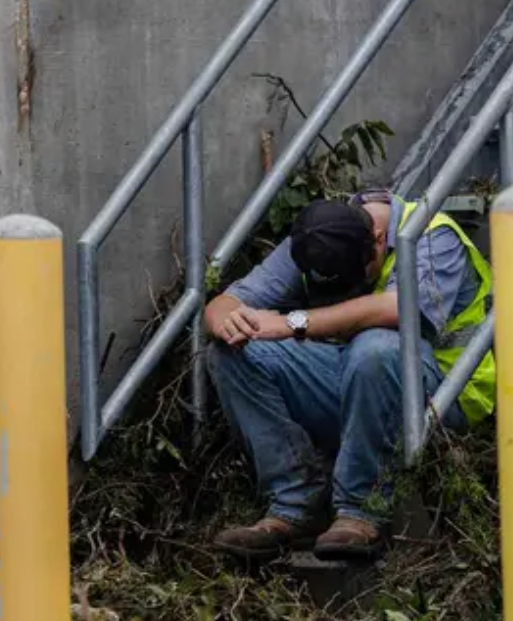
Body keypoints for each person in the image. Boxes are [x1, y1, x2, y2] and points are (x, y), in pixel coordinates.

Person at [204, 187, 495, 561]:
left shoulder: (430, 234)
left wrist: (293, 322)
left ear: (378, 239)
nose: (348, 293)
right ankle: (296, 503)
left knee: (376, 346)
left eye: (358, 279)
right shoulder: (319, 236)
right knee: (232, 352)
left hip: (443, 395)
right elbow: (226, 302)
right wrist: (228, 322)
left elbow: (396, 308)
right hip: (357, 379)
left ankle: (360, 510)